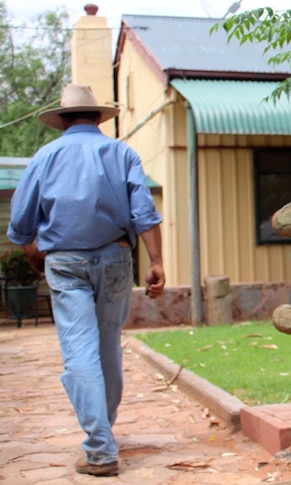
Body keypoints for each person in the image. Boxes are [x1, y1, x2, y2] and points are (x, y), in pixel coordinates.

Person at [6, 84, 165, 477]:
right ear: (98, 117)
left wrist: (34, 258)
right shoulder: (122, 152)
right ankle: (103, 435)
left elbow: (21, 225)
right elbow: (144, 212)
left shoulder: (45, 157)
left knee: (80, 351)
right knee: (107, 347)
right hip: (115, 257)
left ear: (62, 120)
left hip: (64, 261)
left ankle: (100, 448)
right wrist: (157, 261)